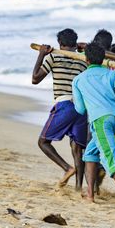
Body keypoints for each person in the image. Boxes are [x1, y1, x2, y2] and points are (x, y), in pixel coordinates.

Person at [72, 42, 115, 210]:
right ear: (103, 58)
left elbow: (80, 109)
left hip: (100, 120)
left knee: (110, 157)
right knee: (90, 153)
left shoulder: (79, 80)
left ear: (86, 59)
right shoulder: (113, 73)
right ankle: (90, 194)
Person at [31, 28, 88, 190]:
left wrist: (41, 54)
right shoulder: (84, 60)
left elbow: (35, 79)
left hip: (64, 105)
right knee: (77, 148)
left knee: (43, 142)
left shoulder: (53, 56)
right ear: (75, 44)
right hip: (81, 108)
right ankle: (78, 187)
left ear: (60, 44)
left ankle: (67, 168)